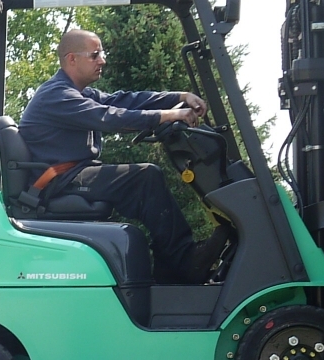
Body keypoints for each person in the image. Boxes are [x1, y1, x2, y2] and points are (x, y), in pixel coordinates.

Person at [16, 28, 231, 283]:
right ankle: (183, 263)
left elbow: (123, 102)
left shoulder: (79, 92)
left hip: (70, 175)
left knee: (145, 178)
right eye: (95, 55)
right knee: (145, 177)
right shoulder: (57, 95)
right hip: (59, 182)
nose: (102, 60)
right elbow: (107, 117)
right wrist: (169, 115)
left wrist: (178, 97)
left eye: (102, 54)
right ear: (72, 58)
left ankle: (170, 269)